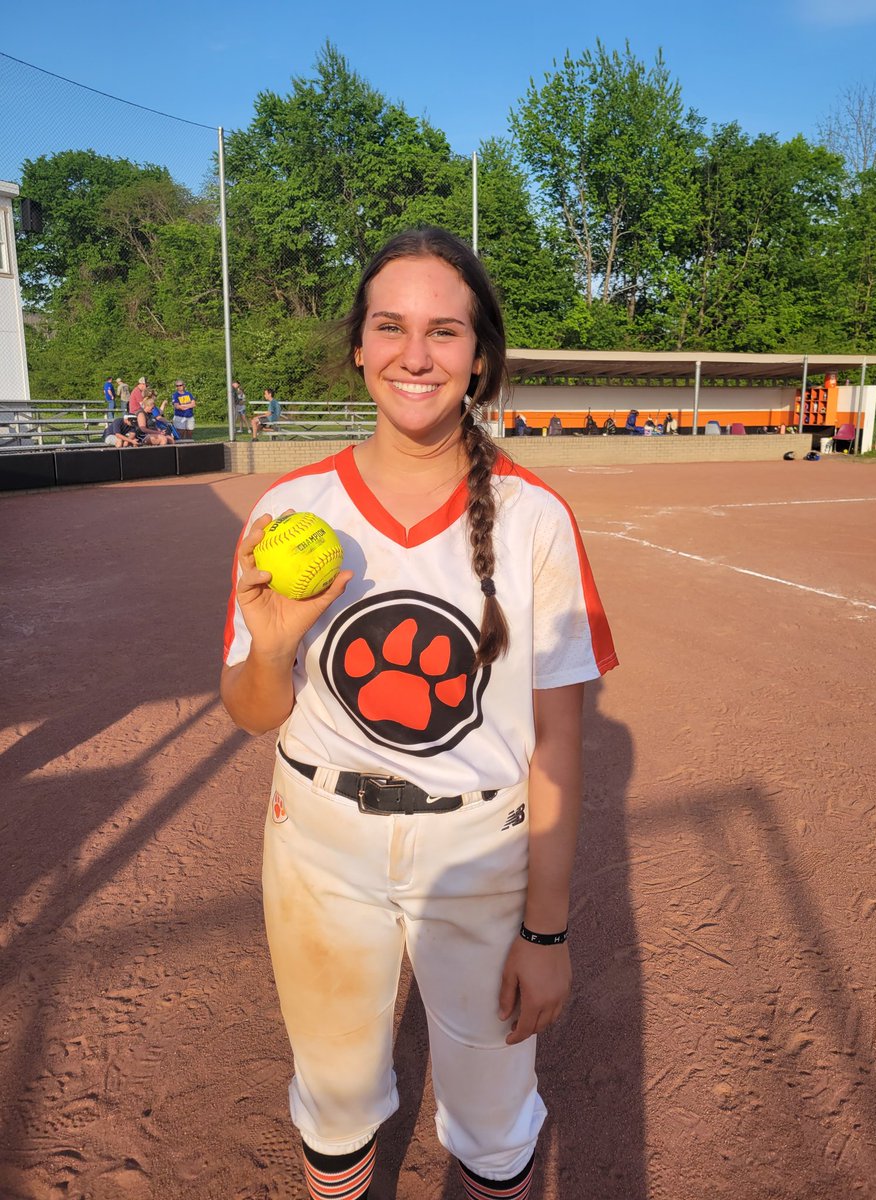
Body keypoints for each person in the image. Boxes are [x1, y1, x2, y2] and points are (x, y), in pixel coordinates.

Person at [220, 227, 618, 1200]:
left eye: (445, 332)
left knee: (491, 1124)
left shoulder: (533, 519)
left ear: (479, 357)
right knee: (336, 1100)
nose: (415, 354)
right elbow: (250, 710)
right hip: (320, 845)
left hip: (478, 854)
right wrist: (272, 643)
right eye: (390, 327)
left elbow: (558, 743)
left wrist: (549, 933)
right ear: (358, 345)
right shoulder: (297, 508)